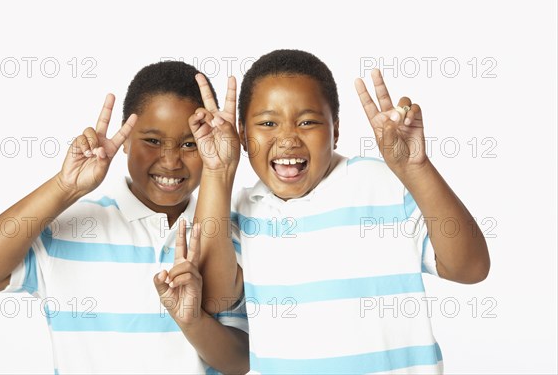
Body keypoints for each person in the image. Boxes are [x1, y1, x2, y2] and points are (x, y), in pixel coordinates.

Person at [205, 49, 491, 373]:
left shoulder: (382, 184)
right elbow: (217, 297)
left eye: (308, 122)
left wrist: (417, 168)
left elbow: (471, 268)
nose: (287, 138)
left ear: (335, 130)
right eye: (268, 123)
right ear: (243, 134)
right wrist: (216, 171)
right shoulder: (241, 214)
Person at [0, 61, 249, 374]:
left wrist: (193, 322)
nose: (170, 160)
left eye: (190, 144)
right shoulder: (70, 229)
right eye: (152, 141)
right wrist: (64, 187)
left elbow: (239, 361)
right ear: (124, 140)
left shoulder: (227, 234)